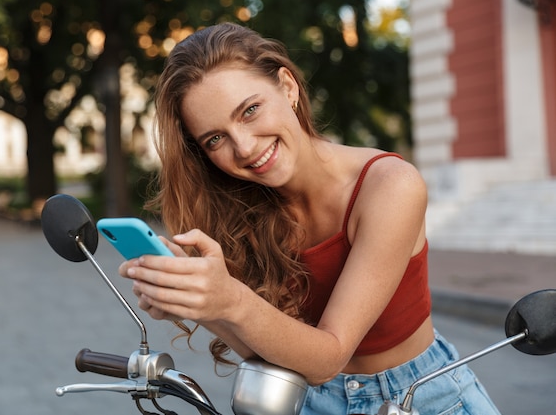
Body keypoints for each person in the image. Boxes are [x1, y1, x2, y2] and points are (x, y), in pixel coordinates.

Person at [118, 22, 501, 415]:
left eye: (250, 110)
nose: (245, 147)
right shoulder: (243, 209)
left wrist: (230, 300)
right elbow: (273, 349)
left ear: (287, 87)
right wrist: (200, 302)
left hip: (421, 397)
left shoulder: (389, 186)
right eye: (215, 139)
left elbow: (328, 355)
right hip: (308, 399)